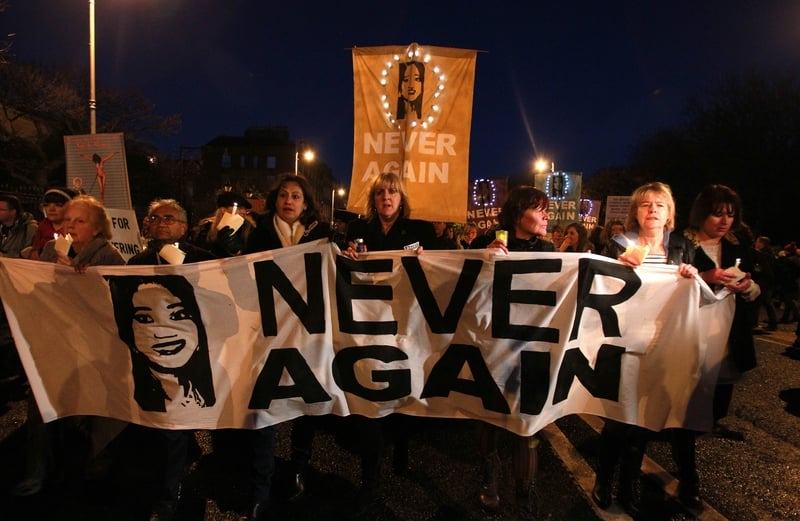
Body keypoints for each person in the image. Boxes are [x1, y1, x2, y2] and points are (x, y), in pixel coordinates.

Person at [593, 182, 698, 517]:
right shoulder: (619, 244)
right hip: (623, 342)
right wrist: (615, 268)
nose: (653, 210)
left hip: (660, 343)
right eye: (646, 205)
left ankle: (627, 486)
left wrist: (691, 274)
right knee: (617, 418)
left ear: (669, 214)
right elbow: (598, 286)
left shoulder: (682, 247)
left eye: (660, 205)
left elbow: (707, 284)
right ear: (635, 212)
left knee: (643, 420)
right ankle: (603, 480)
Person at [14, 195, 125, 497]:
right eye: (66, 220)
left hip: (90, 348)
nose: (71, 226)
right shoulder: (51, 249)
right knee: (41, 408)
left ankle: (83, 473)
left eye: (80, 220)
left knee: (84, 411)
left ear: (98, 227)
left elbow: (113, 305)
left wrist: (77, 276)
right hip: (54, 342)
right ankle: (36, 472)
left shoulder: (109, 256)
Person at [341, 171, 436, 517]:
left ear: (401, 198)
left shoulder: (421, 231)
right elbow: (342, 266)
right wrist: (347, 255)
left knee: (402, 387)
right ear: (373, 199)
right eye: (380, 192)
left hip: (406, 324)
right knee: (371, 391)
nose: (386, 198)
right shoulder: (358, 231)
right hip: (368, 324)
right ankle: (371, 476)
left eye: (392, 192)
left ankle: (401, 445)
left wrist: (430, 255)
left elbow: (451, 261)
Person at [117, 198, 215, 521]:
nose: (161, 223)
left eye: (169, 218)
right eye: (155, 217)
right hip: (151, 356)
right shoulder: (137, 263)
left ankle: (169, 494)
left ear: (184, 228)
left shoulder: (203, 261)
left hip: (190, 358)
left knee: (173, 426)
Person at [244, 174, 332, 509]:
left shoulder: (320, 236)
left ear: (306, 203)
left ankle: (297, 466)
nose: (289, 201)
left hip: (306, 334)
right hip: (266, 334)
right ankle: (260, 486)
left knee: (304, 405)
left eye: (296, 196)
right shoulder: (258, 235)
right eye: (284, 195)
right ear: (275, 200)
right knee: (265, 407)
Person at [468, 186, 554, 520]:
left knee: (527, 421)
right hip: (493, 345)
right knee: (489, 414)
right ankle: (489, 474)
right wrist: (483, 259)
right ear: (518, 215)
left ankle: (524, 492)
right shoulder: (488, 243)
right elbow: (462, 286)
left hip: (532, 347)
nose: (547, 215)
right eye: (539, 209)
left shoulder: (548, 250)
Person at [193, 191, 255, 257]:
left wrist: (237, 251)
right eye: (239, 208)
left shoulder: (249, 229)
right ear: (223, 210)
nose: (243, 212)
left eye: (245, 209)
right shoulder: (206, 229)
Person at [28, 188, 78, 260]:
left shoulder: (75, 228)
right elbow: (35, 247)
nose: (51, 209)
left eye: (58, 205)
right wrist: (34, 252)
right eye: (46, 205)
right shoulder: (43, 226)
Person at [752, 236, 778, 331]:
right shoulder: (770, 254)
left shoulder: (762, 255)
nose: (756, 243)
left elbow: (761, 269)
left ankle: (754, 324)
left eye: (757, 242)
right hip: (768, 282)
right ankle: (773, 323)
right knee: (767, 303)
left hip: (763, 282)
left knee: (759, 303)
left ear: (761, 244)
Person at [0, 194, 38, 258]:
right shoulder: (1, 228)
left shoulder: (30, 228)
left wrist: (5, 256)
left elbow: (29, 254)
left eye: (1, 210)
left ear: (13, 212)